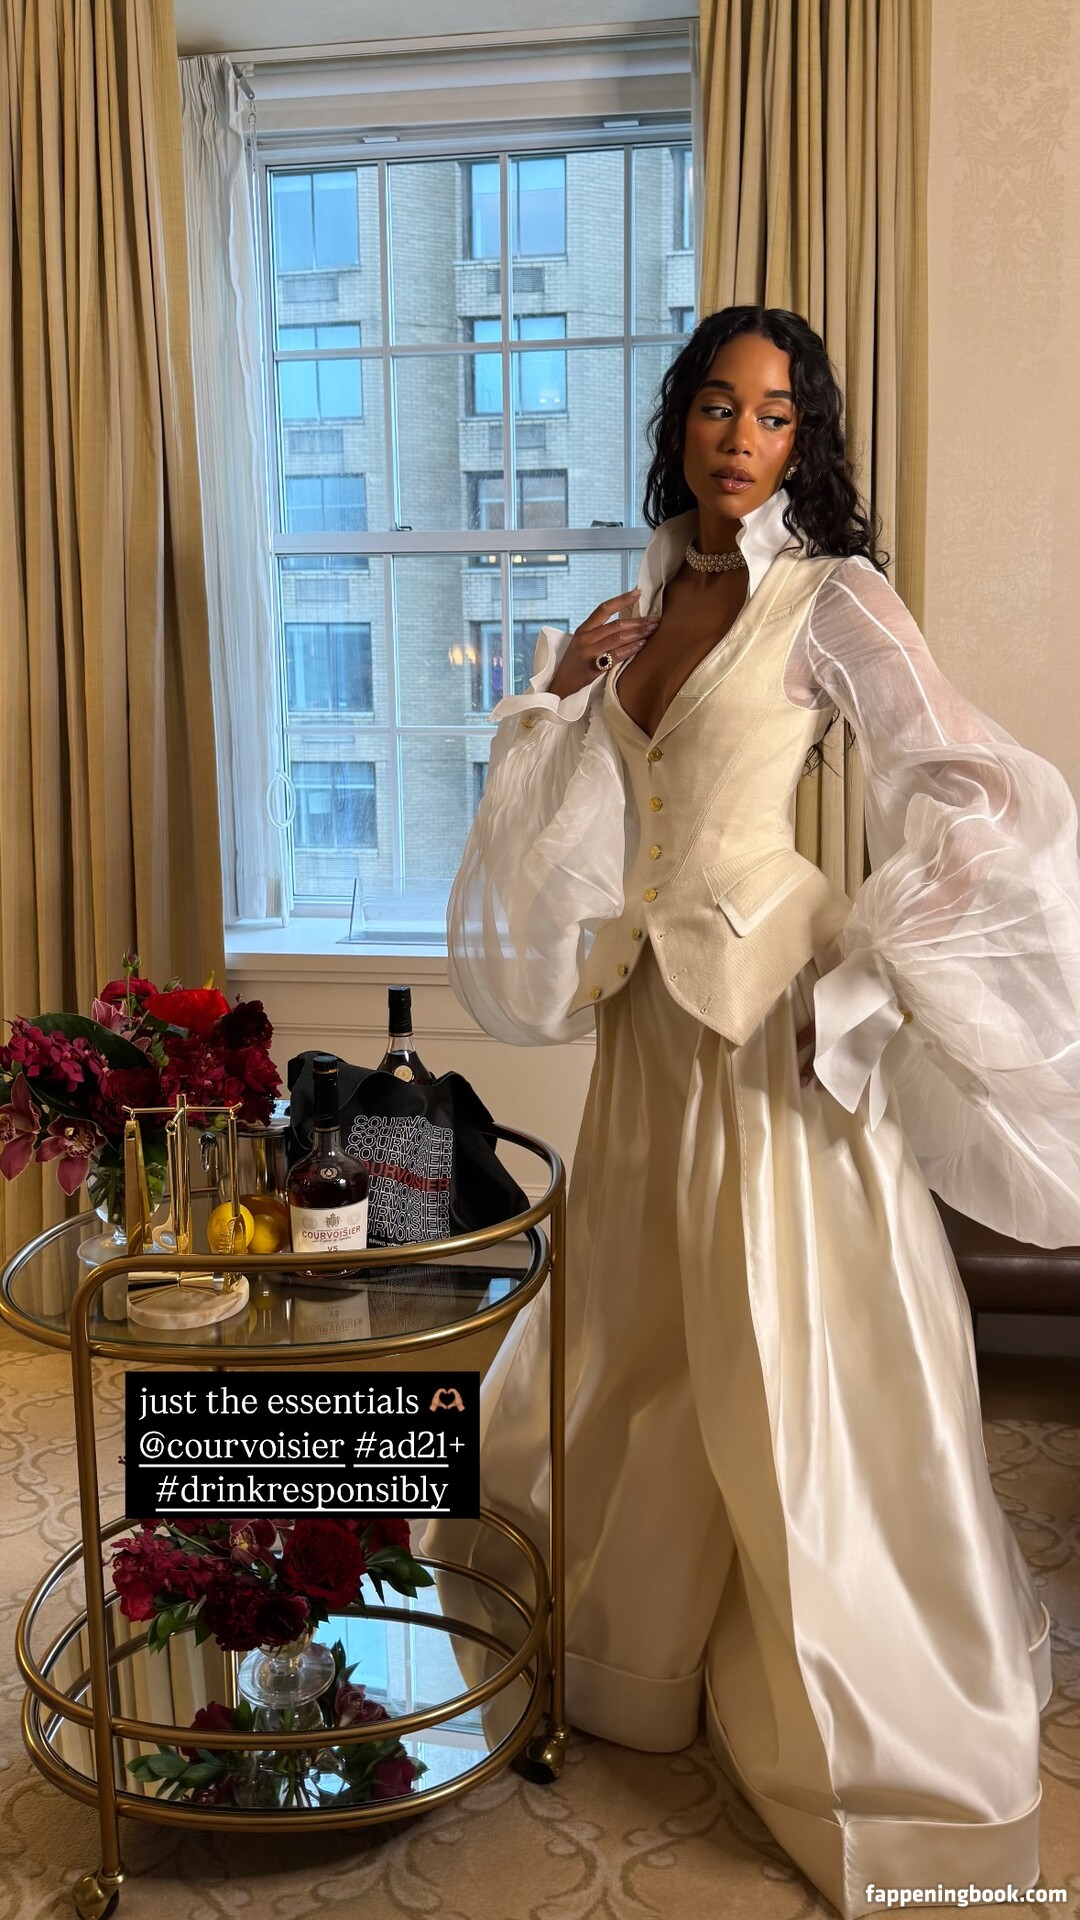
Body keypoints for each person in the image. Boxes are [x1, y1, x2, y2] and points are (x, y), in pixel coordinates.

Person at [420, 306, 1080, 1917]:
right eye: (718, 406)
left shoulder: (831, 596)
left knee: (782, 1339)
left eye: (775, 415)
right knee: (637, 1324)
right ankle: (635, 1640)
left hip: (771, 1012)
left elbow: (971, 786)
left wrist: (876, 970)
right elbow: (591, 824)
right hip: (650, 1021)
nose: (741, 437)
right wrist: (560, 695)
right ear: (681, 424)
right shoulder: (647, 598)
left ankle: (856, 1681)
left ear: (805, 441)